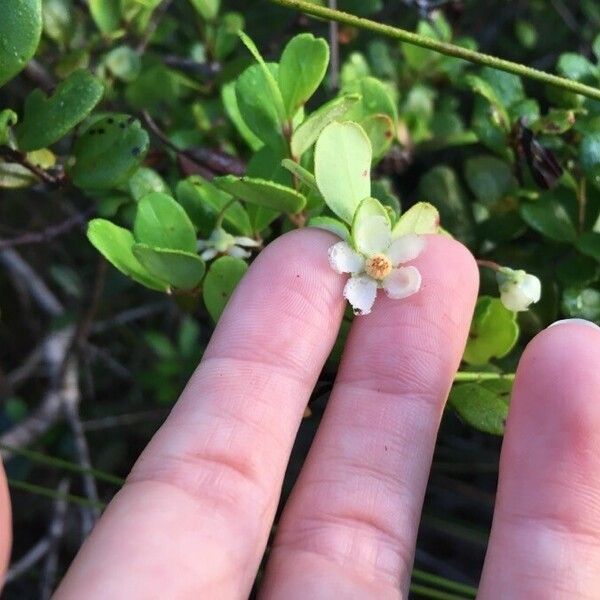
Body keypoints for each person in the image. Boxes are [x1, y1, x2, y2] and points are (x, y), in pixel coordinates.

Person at [1, 231, 599, 598]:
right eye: (377, 263)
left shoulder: (384, 273)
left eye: (386, 265)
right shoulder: (359, 266)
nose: (381, 269)